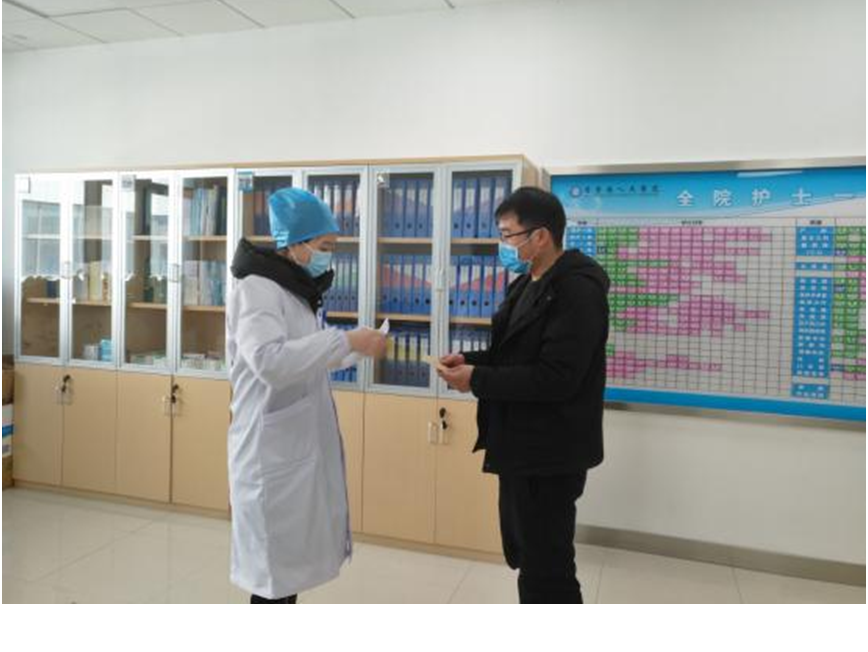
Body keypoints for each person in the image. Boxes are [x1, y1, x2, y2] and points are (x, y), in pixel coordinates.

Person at [437, 187, 610, 604]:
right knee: (528, 557)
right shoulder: (526, 283)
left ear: (541, 236)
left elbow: (556, 378)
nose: (503, 245)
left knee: (548, 569)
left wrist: (477, 379)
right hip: (519, 445)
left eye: (508, 234)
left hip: (550, 453)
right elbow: (511, 355)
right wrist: (469, 361)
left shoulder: (577, 290)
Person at [226, 187, 387, 604]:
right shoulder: (257, 289)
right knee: (272, 581)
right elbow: (269, 361)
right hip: (268, 450)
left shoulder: (292, 290)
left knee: (284, 577)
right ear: (295, 243)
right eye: (324, 247)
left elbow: (307, 356)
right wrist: (344, 340)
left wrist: (355, 347)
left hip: (291, 445)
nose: (329, 256)